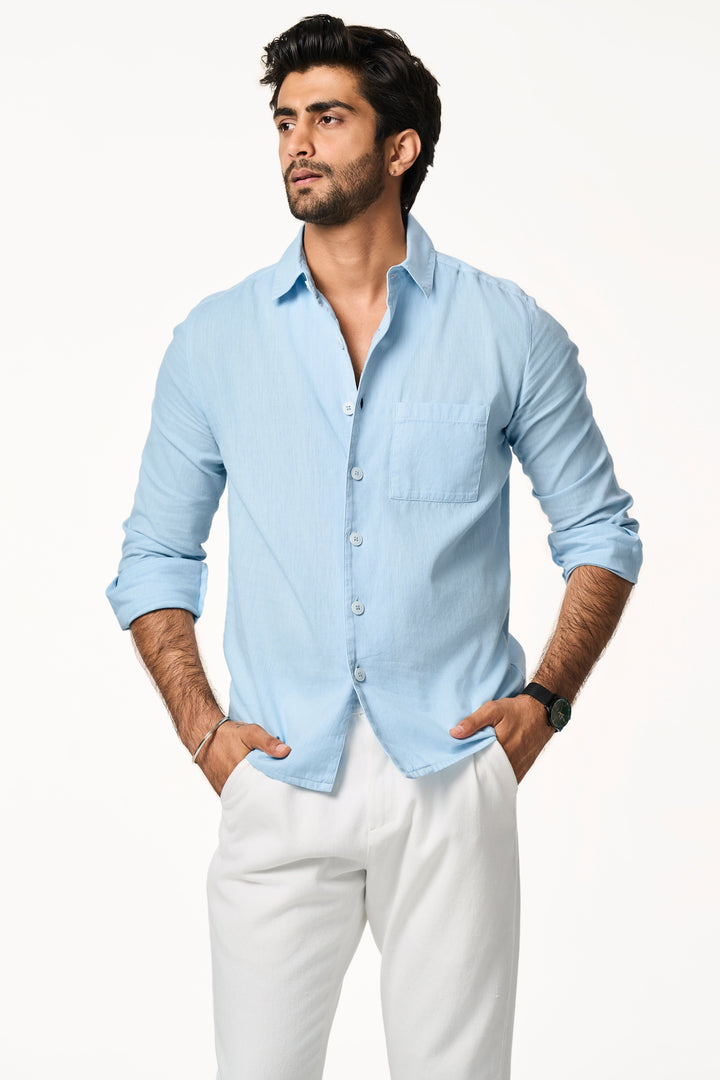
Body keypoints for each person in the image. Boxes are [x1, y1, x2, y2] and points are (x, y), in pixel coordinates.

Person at [106, 13, 642, 1079]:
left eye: (328, 118)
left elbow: (602, 534)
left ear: (400, 148)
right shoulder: (214, 342)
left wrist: (545, 703)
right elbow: (155, 558)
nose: (297, 143)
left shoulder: (507, 331)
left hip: (452, 773)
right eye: (285, 121)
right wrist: (205, 734)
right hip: (279, 777)